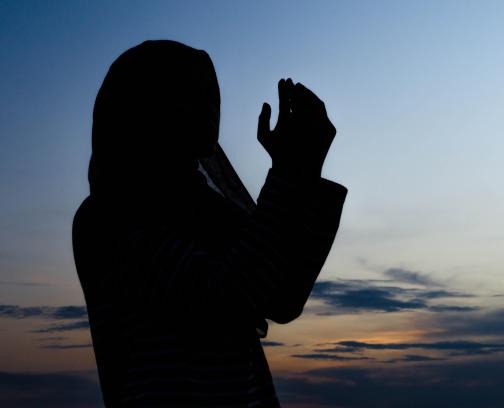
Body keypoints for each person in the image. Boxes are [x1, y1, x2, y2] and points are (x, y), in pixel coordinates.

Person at [72, 39, 347, 408]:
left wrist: (302, 170)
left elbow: (281, 296)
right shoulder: (107, 220)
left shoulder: (210, 210)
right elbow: (224, 301)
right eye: (190, 94)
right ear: (144, 107)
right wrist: (287, 175)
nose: (209, 107)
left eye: (210, 95)